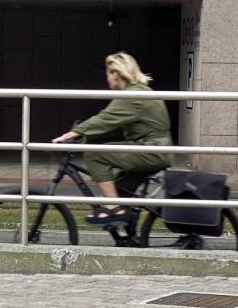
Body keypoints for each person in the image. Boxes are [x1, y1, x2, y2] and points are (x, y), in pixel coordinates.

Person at [52, 52, 173, 226]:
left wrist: (72, 134)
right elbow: (110, 120)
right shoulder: (138, 91)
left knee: (95, 155)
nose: (107, 78)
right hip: (154, 148)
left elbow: (105, 119)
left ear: (116, 74)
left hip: (152, 150)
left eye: (108, 73)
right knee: (118, 187)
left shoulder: (131, 96)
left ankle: (113, 207)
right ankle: (127, 227)